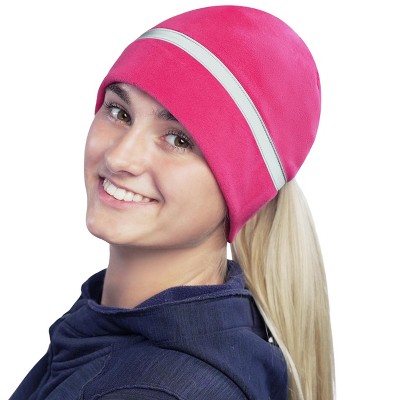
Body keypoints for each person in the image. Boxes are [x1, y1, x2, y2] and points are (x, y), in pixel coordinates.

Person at [10, 5, 334, 400]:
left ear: (241, 188)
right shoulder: (113, 337)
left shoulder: (155, 390)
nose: (120, 157)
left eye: (179, 139)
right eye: (119, 112)